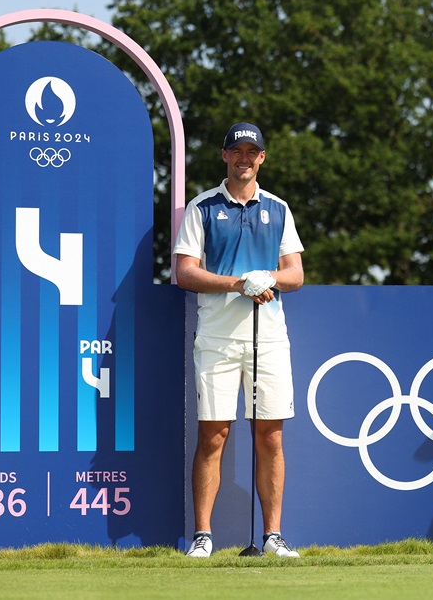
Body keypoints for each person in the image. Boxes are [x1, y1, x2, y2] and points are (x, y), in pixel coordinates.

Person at [174, 122, 305, 558]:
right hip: (217, 336)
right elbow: (185, 272)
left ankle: (273, 536)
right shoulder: (203, 207)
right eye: (237, 151)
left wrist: (266, 277)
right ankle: (203, 537)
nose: (244, 158)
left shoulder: (279, 208)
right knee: (213, 433)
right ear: (224, 156)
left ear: (262, 158)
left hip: (268, 336)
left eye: (252, 152)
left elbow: (295, 273)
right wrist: (237, 283)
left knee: (270, 434)